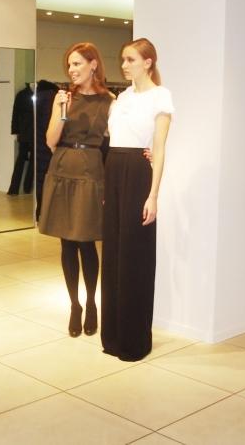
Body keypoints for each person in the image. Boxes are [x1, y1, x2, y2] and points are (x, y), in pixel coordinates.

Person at [101, 37, 174, 361]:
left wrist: (153, 195)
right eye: (123, 59)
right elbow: (113, 140)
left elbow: (158, 149)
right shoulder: (122, 97)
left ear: (148, 62)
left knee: (135, 257)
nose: (124, 65)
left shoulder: (161, 96)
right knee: (114, 255)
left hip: (137, 175)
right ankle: (113, 337)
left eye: (130, 59)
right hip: (114, 170)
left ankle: (134, 341)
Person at [39, 42, 113, 337]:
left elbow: (117, 139)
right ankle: (74, 305)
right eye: (69, 65)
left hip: (90, 170)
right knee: (66, 242)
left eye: (77, 63)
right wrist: (63, 110)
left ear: (93, 64)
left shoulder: (110, 101)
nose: (71, 69)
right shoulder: (63, 98)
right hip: (62, 167)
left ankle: (92, 302)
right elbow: (50, 140)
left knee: (85, 240)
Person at [35, 79, 59, 220]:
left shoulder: (38, 98)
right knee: (47, 180)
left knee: (40, 179)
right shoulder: (52, 97)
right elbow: (49, 124)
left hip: (37, 143)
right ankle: (44, 212)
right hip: (48, 145)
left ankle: (40, 212)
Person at [7, 83, 34, 195]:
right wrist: (16, 131)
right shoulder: (22, 95)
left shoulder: (35, 94)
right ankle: (15, 189)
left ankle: (27, 188)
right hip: (25, 133)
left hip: (33, 133)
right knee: (21, 159)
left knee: (33, 161)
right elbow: (15, 113)